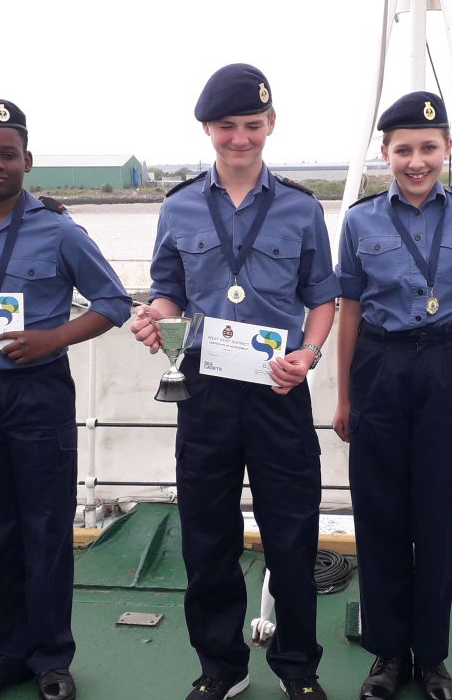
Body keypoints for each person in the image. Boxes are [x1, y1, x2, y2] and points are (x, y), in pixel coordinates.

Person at [131, 64, 339, 700]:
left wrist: (309, 354)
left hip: (278, 386)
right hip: (205, 389)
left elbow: (322, 297)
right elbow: (168, 290)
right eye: (227, 126)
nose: (240, 137)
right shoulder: (179, 206)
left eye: (252, 124)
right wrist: (154, 317)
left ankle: (298, 670)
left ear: (271, 124)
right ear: (207, 129)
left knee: (293, 535)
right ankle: (222, 667)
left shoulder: (302, 208)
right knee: (207, 536)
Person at [333, 91, 452, 700]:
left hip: (448, 364)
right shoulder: (360, 220)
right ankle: (386, 656)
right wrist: (345, 396)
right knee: (379, 517)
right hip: (380, 364)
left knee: (438, 516)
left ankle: (430, 658)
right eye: (404, 149)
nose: (417, 161)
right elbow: (350, 310)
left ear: (447, 149)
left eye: (429, 148)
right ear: (386, 152)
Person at [0, 99, 132, 700]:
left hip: (39, 392)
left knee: (45, 529)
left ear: (27, 161)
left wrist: (53, 337)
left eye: (7, 154)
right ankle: (1, 656)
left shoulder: (60, 231)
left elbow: (114, 303)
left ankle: (51, 658)